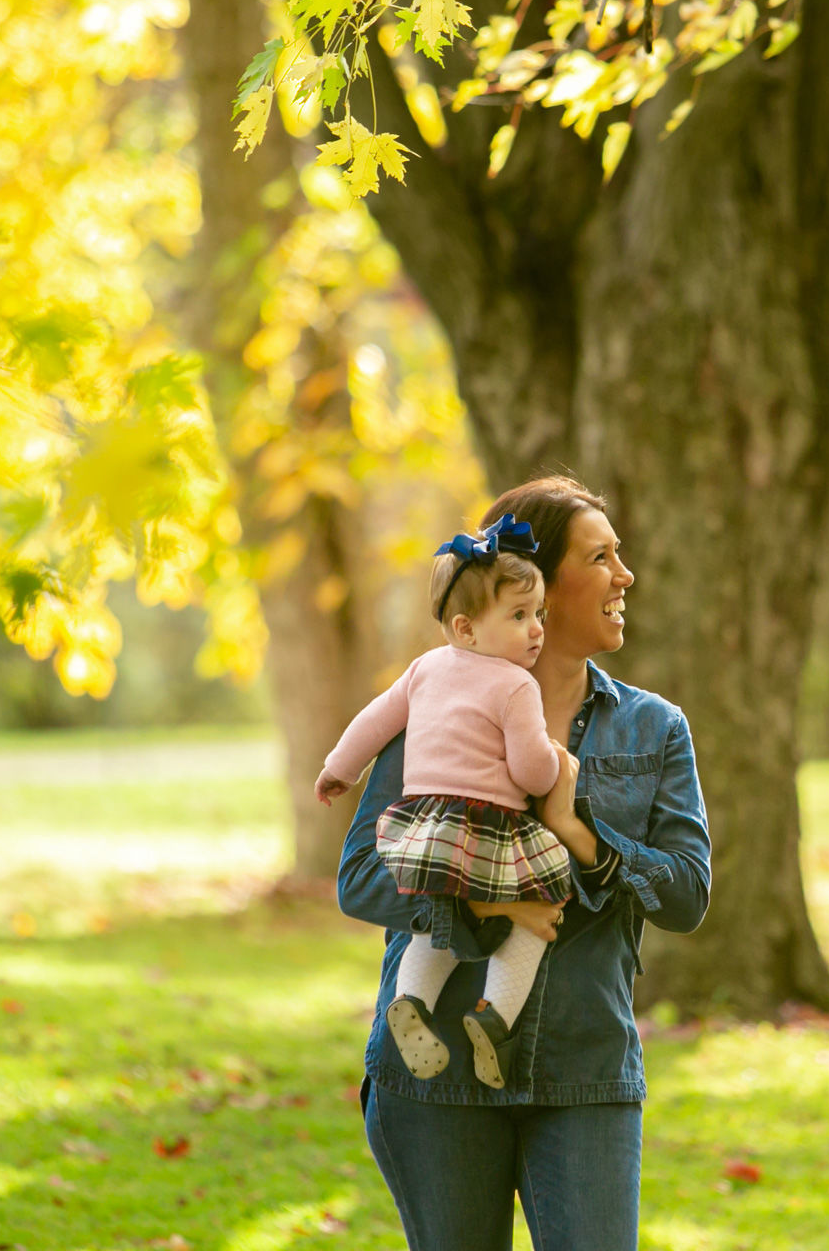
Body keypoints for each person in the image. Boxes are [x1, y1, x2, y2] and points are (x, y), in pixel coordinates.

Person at [336, 476, 712, 1251]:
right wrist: (492, 905)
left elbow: (687, 895)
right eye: (601, 557)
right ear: (536, 582)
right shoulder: (431, 709)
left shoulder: (654, 727)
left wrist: (582, 837)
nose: (624, 575)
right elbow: (363, 877)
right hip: (435, 1078)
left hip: (587, 1069)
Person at [318, 514, 570, 1090]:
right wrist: (555, 764)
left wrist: (339, 769)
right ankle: (495, 1018)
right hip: (490, 826)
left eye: (540, 615)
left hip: (427, 827)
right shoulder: (516, 686)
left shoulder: (424, 668)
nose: (536, 630)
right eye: (519, 616)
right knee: (535, 918)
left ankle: (410, 1000)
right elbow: (531, 771)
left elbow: (374, 722)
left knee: (435, 930)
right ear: (465, 627)